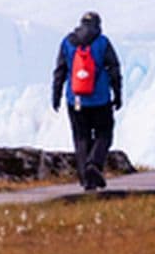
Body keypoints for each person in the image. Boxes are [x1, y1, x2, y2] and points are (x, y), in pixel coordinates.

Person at [51, 10, 123, 190]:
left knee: (81, 137)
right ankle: (94, 165)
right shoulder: (102, 43)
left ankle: (86, 180)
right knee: (104, 133)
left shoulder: (68, 42)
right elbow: (114, 69)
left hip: (75, 100)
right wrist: (118, 94)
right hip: (100, 100)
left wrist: (56, 95)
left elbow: (60, 71)